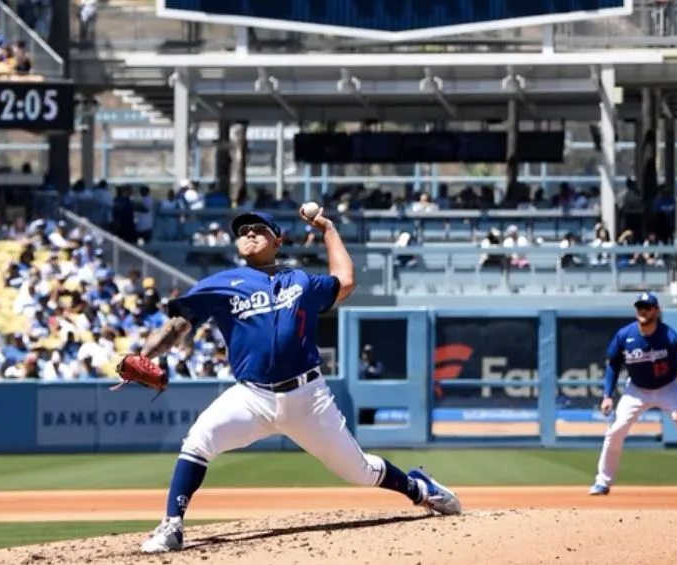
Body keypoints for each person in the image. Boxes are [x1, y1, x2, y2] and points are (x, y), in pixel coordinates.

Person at [118, 207, 462, 554]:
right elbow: (177, 325)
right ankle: (172, 526)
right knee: (198, 440)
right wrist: (145, 354)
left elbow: (345, 281)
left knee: (358, 471)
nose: (249, 233)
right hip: (251, 396)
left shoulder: (300, 281)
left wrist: (328, 229)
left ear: (278, 241)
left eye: (258, 229)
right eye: (243, 231)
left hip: (308, 397)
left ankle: (420, 489)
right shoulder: (219, 284)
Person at [589, 292, 677, 496]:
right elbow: (613, 365)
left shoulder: (669, 336)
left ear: (656, 311)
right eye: (639, 307)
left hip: (668, 388)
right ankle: (602, 482)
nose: (643, 311)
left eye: (647, 307)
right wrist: (607, 395)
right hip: (636, 390)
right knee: (615, 431)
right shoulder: (625, 335)